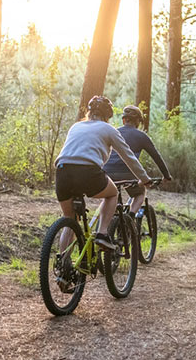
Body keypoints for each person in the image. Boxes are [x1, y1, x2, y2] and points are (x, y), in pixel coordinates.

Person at [55, 96, 152, 251]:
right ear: (108, 115)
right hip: (87, 171)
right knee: (112, 194)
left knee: (70, 218)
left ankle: (62, 264)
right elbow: (129, 157)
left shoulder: (76, 126)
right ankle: (102, 234)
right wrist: (144, 179)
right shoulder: (108, 129)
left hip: (62, 171)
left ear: (89, 112)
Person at [103, 105, 172, 217]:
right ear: (138, 122)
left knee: (110, 196)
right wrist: (166, 175)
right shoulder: (141, 136)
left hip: (107, 172)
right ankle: (130, 218)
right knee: (140, 193)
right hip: (128, 172)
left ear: (124, 120)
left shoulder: (114, 132)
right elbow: (156, 157)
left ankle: (107, 224)